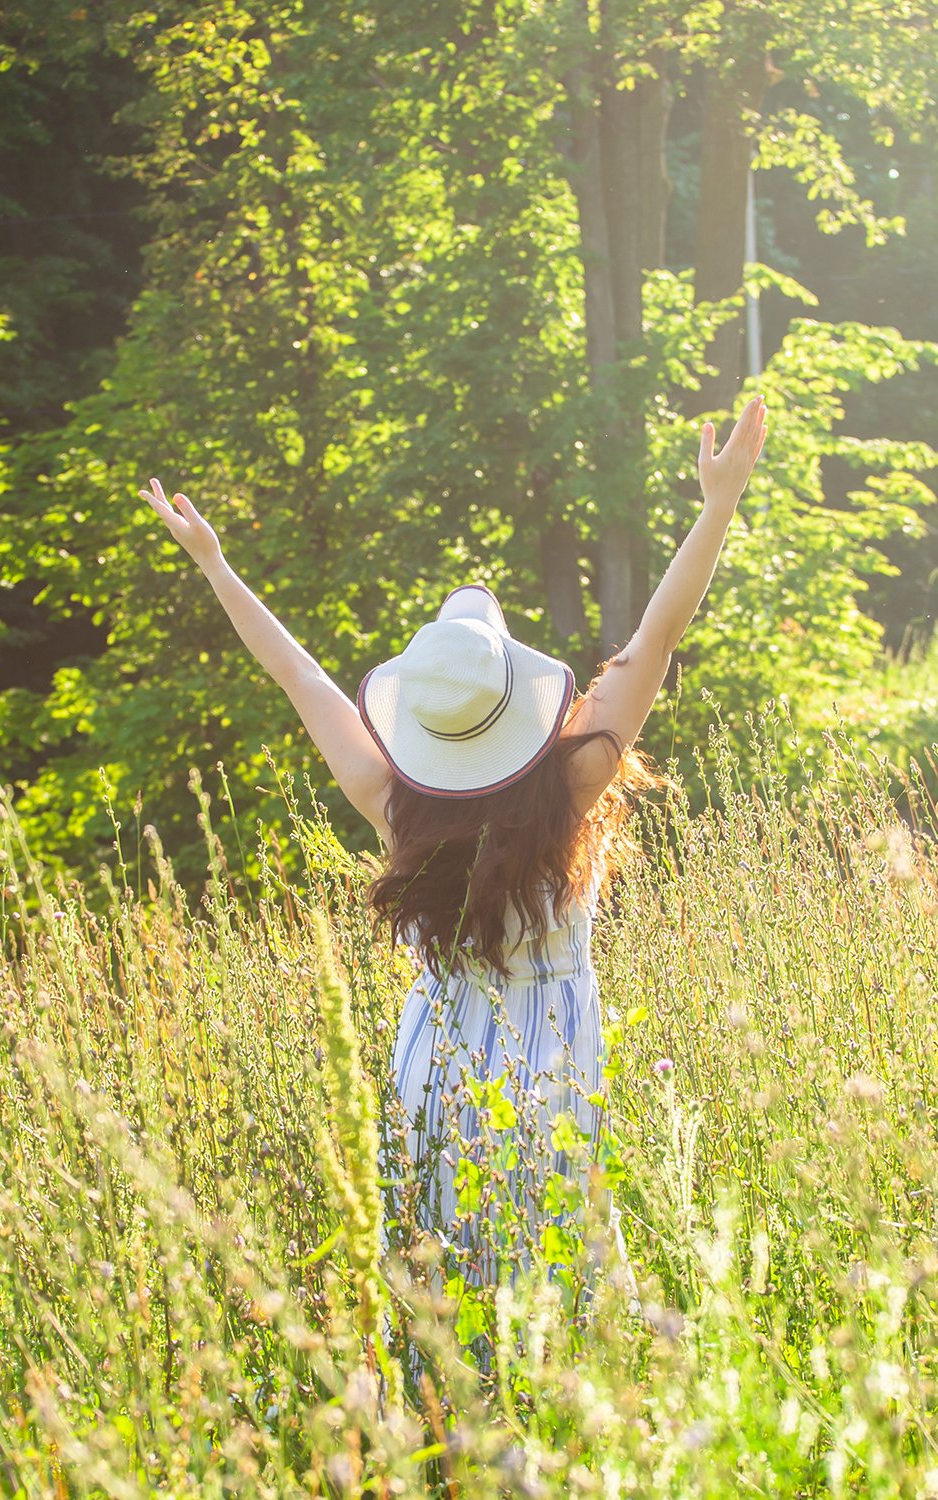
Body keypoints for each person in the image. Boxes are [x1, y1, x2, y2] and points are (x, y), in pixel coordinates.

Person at [140, 394, 767, 1360]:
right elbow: (657, 635)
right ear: (516, 696)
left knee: (446, 1299)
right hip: (552, 1066)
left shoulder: (395, 803)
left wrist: (217, 566)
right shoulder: (572, 783)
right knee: (560, 1295)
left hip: (433, 1067)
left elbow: (299, 676)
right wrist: (717, 505)